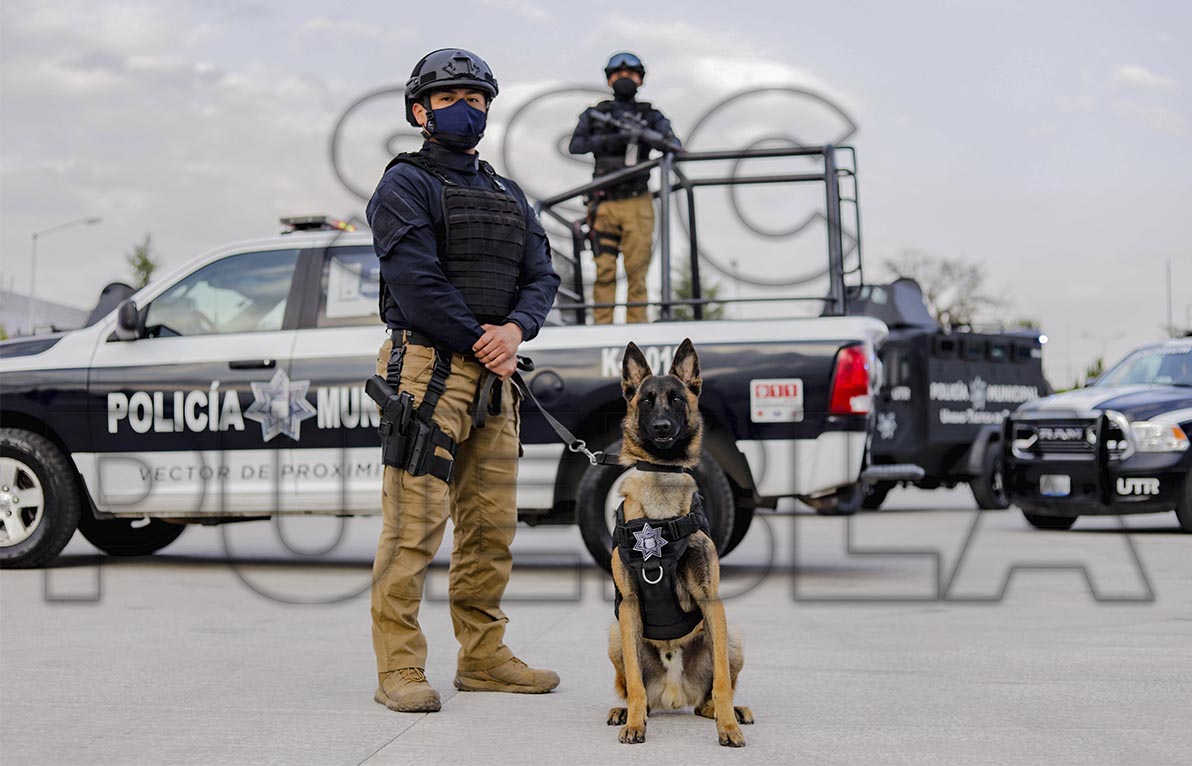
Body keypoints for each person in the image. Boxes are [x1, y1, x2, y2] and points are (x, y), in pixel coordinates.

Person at [365, 48, 561, 714]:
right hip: (428, 372)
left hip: (494, 378)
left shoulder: (507, 193)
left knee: (489, 529)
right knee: (413, 528)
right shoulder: (404, 185)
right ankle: (399, 668)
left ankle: (483, 658)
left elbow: (543, 274)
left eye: (478, 99)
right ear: (420, 111)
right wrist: (482, 336)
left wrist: (515, 330)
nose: (467, 109)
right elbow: (415, 283)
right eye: (451, 98)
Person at [568, 52, 680, 324]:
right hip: (603, 202)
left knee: (637, 270)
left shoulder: (650, 115)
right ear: (609, 80)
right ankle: (602, 328)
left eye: (630, 75)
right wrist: (613, 138)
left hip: (637, 201)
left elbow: (673, 143)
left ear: (640, 79)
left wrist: (647, 137)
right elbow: (576, 145)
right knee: (604, 269)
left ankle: (637, 331)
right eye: (618, 75)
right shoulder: (597, 114)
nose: (624, 79)